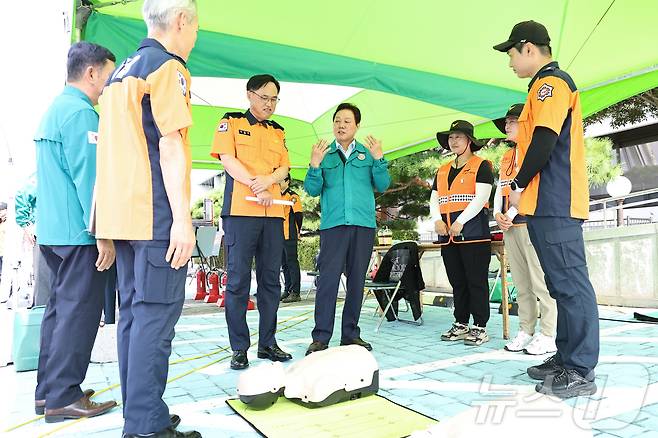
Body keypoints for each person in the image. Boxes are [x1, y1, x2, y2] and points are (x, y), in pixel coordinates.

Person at [95, 1, 201, 436]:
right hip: (155, 214)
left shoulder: (119, 73)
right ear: (181, 22)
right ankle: (144, 426)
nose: (195, 37)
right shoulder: (166, 68)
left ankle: (141, 411)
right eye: (196, 28)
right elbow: (171, 144)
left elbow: (103, 151)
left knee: (135, 319)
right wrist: (183, 220)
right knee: (155, 318)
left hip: (123, 217)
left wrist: (101, 225)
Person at [494, 20, 599, 398]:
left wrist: (518, 184)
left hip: (556, 201)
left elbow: (544, 139)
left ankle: (581, 369)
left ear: (528, 48)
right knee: (558, 285)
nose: (509, 62)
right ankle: (567, 356)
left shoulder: (550, 84)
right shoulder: (541, 86)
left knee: (571, 285)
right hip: (543, 204)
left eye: (511, 53)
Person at [33, 41, 117, 423]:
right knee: (79, 314)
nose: (109, 85)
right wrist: (102, 232)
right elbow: (90, 178)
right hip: (78, 233)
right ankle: (64, 396)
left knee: (58, 313)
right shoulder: (81, 114)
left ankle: (47, 391)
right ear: (92, 72)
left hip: (54, 231)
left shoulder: (55, 108)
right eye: (108, 76)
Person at [211, 74, 292, 370]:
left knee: (271, 282)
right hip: (241, 213)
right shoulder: (231, 122)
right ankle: (239, 348)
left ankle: (268, 343)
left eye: (273, 99)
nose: (269, 104)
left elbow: (284, 166)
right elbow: (227, 159)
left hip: (272, 215)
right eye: (264, 98)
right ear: (249, 95)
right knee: (238, 283)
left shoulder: (278, 132)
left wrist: (269, 180)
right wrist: (255, 183)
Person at [303, 102, 391, 355]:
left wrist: (379, 159)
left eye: (347, 121)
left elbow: (383, 185)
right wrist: (314, 165)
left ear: (357, 125)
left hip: (363, 226)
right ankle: (320, 338)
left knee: (356, 282)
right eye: (337, 121)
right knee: (328, 282)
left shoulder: (366, 153)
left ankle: (351, 335)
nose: (341, 125)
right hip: (333, 226)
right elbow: (312, 190)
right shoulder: (324, 153)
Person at [492, 104, 557, 355]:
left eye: (512, 121)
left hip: (532, 223)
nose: (507, 126)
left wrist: (507, 215)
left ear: (526, 123)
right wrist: (498, 214)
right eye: (506, 122)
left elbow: (532, 189)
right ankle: (526, 330)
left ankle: (548, 333)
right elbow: (503, 188)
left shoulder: (536, 151)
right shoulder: (507, 156)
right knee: (520, 283)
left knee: (541, 282)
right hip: (510, 226)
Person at [431, 120, 493, 346]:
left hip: (473, 234)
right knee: (457, 282)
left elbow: (481, 197)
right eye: (451, 137)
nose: (453, 141)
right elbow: (434, 198)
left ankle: (480, 326)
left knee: (476, 281)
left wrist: (461, 221)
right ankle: (460, 322)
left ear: (469, 141)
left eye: (458, 136)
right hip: (447, 235)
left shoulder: (481, 165)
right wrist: (437, 219)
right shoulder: (442, 169)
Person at [280, 174, 303, 303]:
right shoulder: (277, 195)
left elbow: (299, 215)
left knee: (292, 263)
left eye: (280, 179)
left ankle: (295, 292)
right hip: (279, 234)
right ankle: (287, 289)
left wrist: (297, 231)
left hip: (290, 233)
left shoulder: (293, 196)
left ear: (287, 181)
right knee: (284, 263)